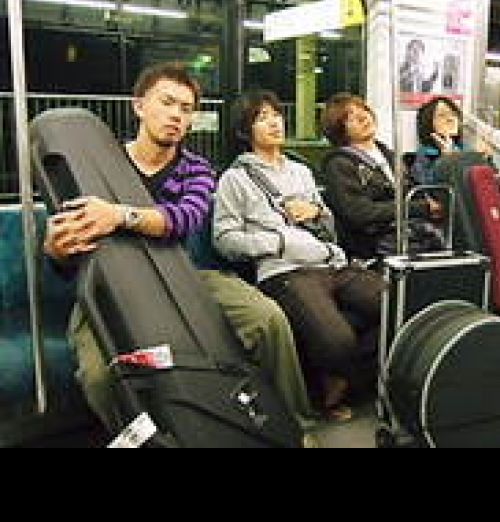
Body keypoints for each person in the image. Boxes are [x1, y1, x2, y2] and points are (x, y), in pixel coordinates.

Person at [43, 62, 316, 435]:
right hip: (108, 288)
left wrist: (120, 215)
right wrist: (57, 249)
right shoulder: (98, 166)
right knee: (99, 378)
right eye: (167, 102)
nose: (176, 115)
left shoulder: (197, 169)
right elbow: (65, 257)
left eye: (186, 109)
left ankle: (295, 427)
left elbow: (184, 218)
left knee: (267, 321)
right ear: (140, 105)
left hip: (183, 275)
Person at [213, 90, 386, 420]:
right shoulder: (234, 179)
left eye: (276, 115)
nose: (274, 122)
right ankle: (337, 380)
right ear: (245, 131)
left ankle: (340, 378)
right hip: (284, 271)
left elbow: (330, 224)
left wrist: (317, 213)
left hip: (330, 261)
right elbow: (224, 240)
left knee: (397, 305)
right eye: (262, 118)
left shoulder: (301, 171)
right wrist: (278, 242)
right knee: (338, 340)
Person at [321, 93, 445, 260]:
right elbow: (359, 213)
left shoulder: (390, 155)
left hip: (410, 233)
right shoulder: (339, 164)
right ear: (339, 128)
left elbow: (414, 189)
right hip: (374, 244)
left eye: (363, 110)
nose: (363, 117)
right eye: (350, 118)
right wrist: (421, 208)